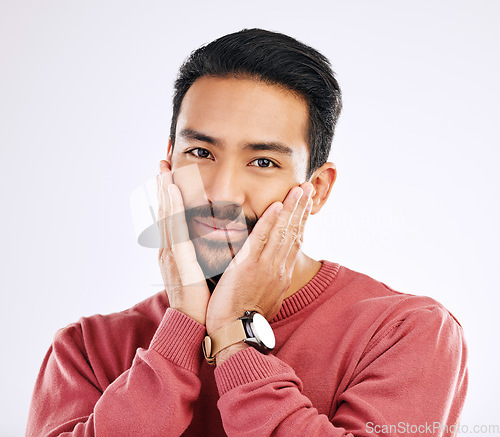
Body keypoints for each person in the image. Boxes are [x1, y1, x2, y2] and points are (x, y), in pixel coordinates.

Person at [26, 28, 468, 436]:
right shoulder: (86, 350)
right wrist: (178, 336)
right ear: (168, 161)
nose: (221, 194)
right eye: (200, 151)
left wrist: (236, 336)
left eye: (263, 162)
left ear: (315, 190)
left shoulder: (405, 333)